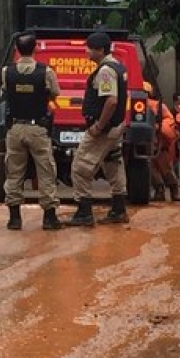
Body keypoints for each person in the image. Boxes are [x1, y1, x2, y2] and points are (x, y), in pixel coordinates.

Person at [0, 31, 63, 231]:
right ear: (35, 48)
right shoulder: (46, 72)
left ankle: (14, 218)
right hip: (37, 129)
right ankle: (49, 218)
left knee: (14, 172)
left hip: (15, 128)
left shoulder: (6, 72)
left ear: (17, 49)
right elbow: (55, 92)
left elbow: (5, 91)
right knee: (46, 171)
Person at [66, 31, 129, 226]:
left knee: (79, 168)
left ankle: (84, 212)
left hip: (103, 130)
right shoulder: (119, 66)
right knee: (112, 164)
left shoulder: (105, 71)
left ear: (100, 50)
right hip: (116, 127)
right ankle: (119, 209)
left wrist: (98, 126)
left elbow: (111, 101)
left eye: (90, 48)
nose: (87, 52)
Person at [145, 82, 180, 202]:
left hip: (158, 141)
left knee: (165, 167)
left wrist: (157, 127)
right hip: (147, 142)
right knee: (152, 169)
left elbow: (169, 120)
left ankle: (174, 191)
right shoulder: (146, 105)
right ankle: (160, 191)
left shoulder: (158, 106)